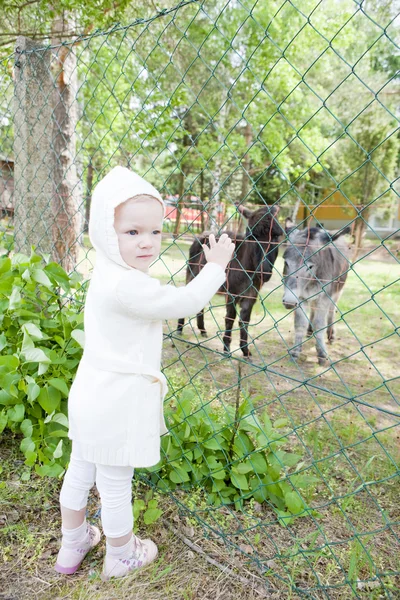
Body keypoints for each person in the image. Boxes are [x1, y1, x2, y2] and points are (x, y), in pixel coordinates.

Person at [54, 166, 235, 581]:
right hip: (117, 401)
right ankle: (121, 554)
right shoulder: (128, 286)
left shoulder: (107, 272)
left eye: (155, 232)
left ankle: (73, 542)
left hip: (90, 394)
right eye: (132, 232)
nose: (147, 242)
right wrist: (216, 267)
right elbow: (186, 301)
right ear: (105, 230)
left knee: (81, 467)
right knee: (115, 480)